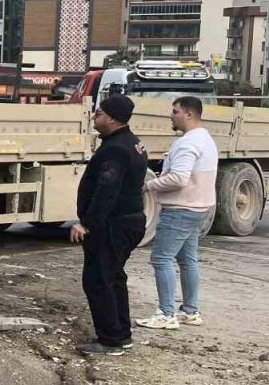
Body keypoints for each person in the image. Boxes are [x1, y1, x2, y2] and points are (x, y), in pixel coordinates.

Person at [71, 94, 149, 356]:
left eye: (99, 113)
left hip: (113, 226)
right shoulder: (133, 142)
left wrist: (86, 224)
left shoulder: (115, 148)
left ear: (113, 119)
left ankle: (111, 340)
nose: (95, 116)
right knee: (114, 277)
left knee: (98, 279)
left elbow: (107, 191)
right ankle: (121, 334)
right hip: (129, 222)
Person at [136, 96, 218, 330]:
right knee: (187, 260)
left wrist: (148, 185)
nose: (170, 116)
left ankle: (166, 313)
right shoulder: (205, 139)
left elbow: (179, 178)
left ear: (189, 114)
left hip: (180, 208)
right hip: (198, 207)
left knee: (161, 259)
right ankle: (190, 311)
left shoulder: (187, 143)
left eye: (175, 111)